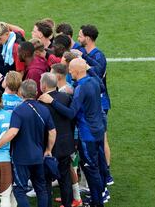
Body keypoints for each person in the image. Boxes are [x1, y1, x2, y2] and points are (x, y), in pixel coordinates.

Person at [38, 58, 107, 207]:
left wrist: (52, 102)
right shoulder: (93, 81)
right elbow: (102, 87)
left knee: (91, 169)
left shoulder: (81, 89)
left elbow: (71, 113)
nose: (69, 72)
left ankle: (98, 202)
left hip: (87, 134)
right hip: (98, 130)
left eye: (71, 70)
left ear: (76, 71)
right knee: (93, 167)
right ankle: (96, 199)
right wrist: (89, 68)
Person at [0, 79, 56, 207]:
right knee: (41, 189)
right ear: (35, 92)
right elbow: (52, 132)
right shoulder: (44, 109)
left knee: (19, 189)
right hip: (38, 157)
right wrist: (48, 149)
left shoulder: (19, 111)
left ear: (21, 93)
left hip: (21, 158)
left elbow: (12, 132)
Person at [78, 25, 113, 186]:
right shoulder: (83, 51)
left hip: (101, 102)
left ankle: (106, 173)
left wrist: (84, 58)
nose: (79, 39)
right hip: (93, 102)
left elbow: (98, 72)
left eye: (80, 36)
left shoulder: (99, 56)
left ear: (88, 38)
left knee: (102, 139)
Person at [39, 73, 75, 207]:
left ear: (43, 86)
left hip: (49, 147)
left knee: (46, 180)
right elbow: (72, 119)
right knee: (65, 178)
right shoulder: (66, 97)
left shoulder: (41, 102)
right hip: (66, 144)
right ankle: (68, 204)